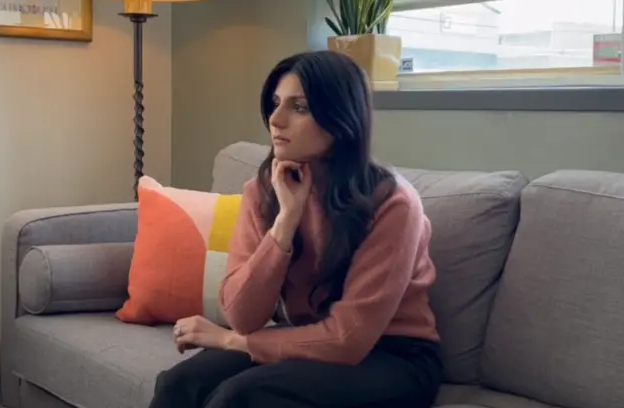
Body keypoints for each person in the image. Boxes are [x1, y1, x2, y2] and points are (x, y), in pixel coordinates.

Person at [148, 50, 443, 408]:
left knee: (242, 397)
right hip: (308, 335)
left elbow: (348, 340)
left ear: (340, 118)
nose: (276, 119)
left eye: (299, 107)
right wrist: (286, 221)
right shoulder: (263, 191)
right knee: (179, 384)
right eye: (275, 104)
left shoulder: (393, 203)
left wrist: (230, 342)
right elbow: (242, 316)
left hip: (394, 356)